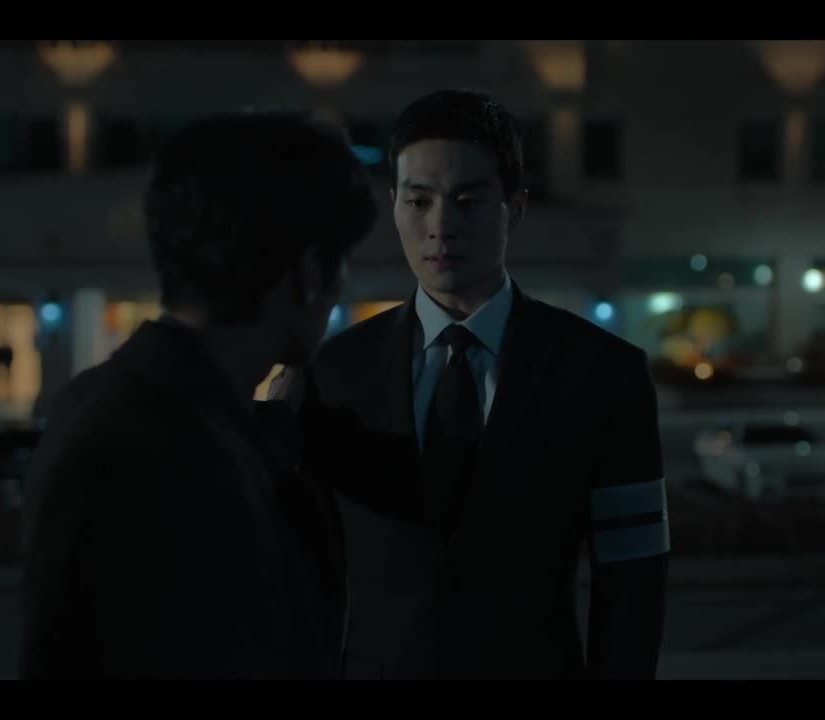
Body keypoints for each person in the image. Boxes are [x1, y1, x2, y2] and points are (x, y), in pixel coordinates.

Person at [270, 89, 670, 680]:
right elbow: (303, 581)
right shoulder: (332, 372)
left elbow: (633, 581)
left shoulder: (602, 373)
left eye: (468, 201)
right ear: (394, 205)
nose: (440, 227)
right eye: (419, 201)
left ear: (516, 208)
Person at [19, 111, 378, 679]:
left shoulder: (107, 403)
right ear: (308, 272)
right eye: (339, 261)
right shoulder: (169, 457)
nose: (339, 285)